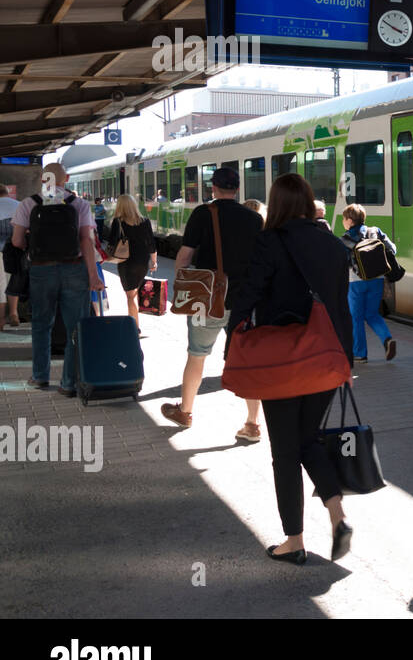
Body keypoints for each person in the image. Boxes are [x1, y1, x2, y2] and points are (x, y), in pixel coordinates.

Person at [228, 172, 354, 564]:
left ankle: (294, 540)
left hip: (281, 361)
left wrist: (233, 338)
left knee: (285, 452)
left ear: (278, 203)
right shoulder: (333, 244)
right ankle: (337, 514)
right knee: (307, 440)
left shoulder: (269, 241)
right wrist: (347, 361)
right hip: (326, 359)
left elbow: (246, 296)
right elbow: (341, 305)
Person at [161, 166, 265, 442]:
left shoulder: (203, 213)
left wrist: (181, 287)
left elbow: (184, 257)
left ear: (213, 188)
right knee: (246, 359)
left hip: (205, 299)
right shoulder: (254, 219)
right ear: (237, 189)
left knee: (197, 355)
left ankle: (185, 412)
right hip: (242, 301)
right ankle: (253, 424)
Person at [10, 163, 103, 393]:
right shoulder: (79, 204)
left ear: (43, 179)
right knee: (75, 328)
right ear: (66, 178)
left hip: (41, 271)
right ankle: (69, 383)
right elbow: (86, 241)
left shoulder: (29, 203)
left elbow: (17, 241)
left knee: (41, 325)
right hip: (74, 269)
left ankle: (40, 377)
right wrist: (93, 276)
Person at [340, 204, 396, 363]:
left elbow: (341, 263)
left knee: (356, 317)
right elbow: (392, 249)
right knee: (372, 314)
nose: (343, 221)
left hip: (356, 282)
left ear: (350, 221)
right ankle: (387, 339)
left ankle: (360, 354)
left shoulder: (345, 239)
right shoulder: (375, 231)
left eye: (344, 219)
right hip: (377, 279)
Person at [106, 194, 157, 333]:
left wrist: (104, 258)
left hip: (126, 262)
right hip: (142, 261)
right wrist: (154, 261)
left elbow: (111, 243)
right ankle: (135, 323)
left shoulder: (118, 222)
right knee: (135, 292)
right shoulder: (145, 221)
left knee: (130, 296)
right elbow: (151, 243)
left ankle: (135, 328)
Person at [0, 186, 20, 329]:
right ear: (7, 193)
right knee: (13, 281)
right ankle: (14, 313)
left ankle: (1, 319)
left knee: (0, 285)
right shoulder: (19, 205)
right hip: (15, 249)